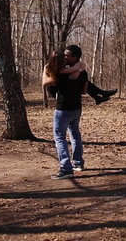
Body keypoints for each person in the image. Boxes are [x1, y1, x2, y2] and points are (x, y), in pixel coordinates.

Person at [50, 45, 89, 179]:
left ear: (75, 57)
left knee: (59, 138)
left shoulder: (60, 72)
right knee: (75, 134)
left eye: (67, 55)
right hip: (76, 108)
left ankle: (66, 168)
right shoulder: (83, 72)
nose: (64, 57)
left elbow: (48, 83)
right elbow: (84, 90)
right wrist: (78, 70)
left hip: (63, 109)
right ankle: (78, 163)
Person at [42, 49, 117, 105]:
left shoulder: (53, 67)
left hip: (65, 94)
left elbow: (82, 64)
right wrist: (77, 71)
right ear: (59, 61)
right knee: (81, 76)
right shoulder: (58, 70)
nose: (66, 60)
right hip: (57, 93)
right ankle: (100, 94)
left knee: (82, 75)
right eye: (64, 59)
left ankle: (98, 96)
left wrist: (79, 71)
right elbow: (76, 67)